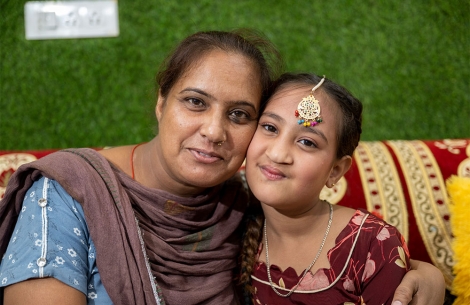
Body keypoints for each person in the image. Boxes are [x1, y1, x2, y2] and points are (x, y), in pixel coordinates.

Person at [0, 30, 444, 305]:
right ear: (161, 102)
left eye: (239, 115)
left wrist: (426, 273)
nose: (213, 131)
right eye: (195, 102)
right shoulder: (66, 196)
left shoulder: (240, 205)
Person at [238, 73, 445, 305]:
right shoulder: (228, 218)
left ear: (336, 170)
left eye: (307, 142)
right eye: (269, 127)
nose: (277, 154)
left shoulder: (372, 245)